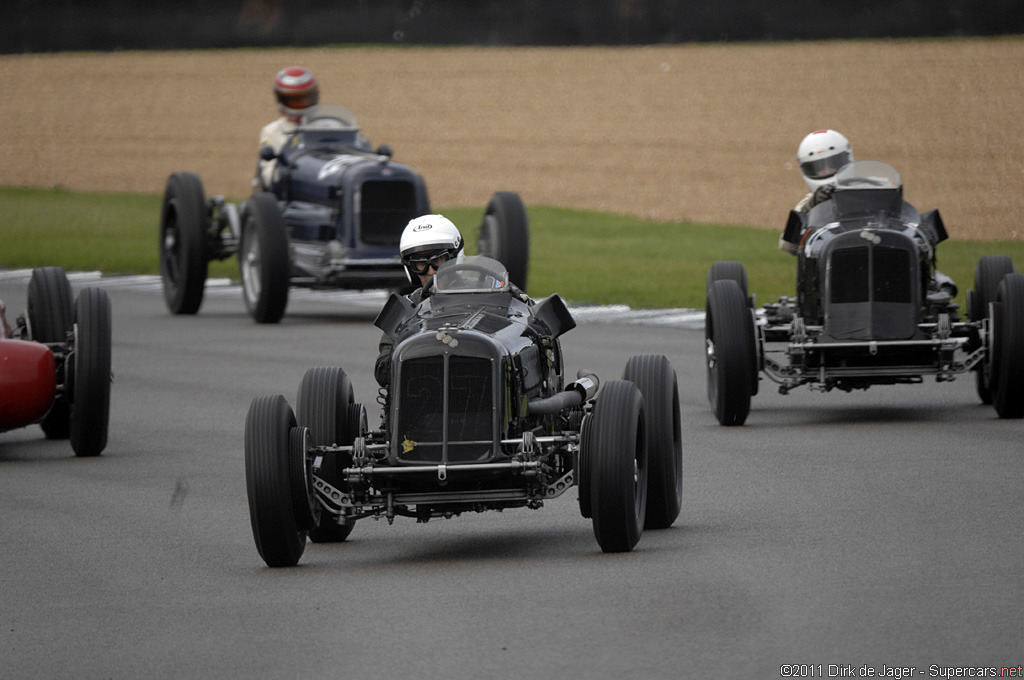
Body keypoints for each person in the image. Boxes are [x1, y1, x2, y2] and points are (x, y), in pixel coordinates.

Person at [374, 215, 465, 387]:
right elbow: (382, 371)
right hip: (423, 394)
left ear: (454, 259)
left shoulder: (491, 292)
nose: (431, 272)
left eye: (438, 260)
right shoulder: (406, 308)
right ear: (411, 269)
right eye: (421, 264)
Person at [780, 129, 854, 253]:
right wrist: (812, 205)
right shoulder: (806, 204)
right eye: (819, 167)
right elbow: (786, 245)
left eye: (833, 163)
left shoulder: (868, 191)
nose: (826, 171)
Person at [256, 66, 320, 190]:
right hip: (292, 191)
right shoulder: (271, 132)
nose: (301, 104)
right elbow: (270, 177)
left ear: (314, 97)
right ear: (282, 100)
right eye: (294, 100)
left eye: (305, 99)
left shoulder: (328, 125)